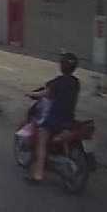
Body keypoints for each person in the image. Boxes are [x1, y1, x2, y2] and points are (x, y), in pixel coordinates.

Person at [26, 52, 81, 183]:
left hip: (55, 119)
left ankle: (38, 175)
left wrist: (30, 93)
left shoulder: (57, 82)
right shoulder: (76, 82)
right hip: (69, 119)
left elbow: (45, 94)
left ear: (61, 66)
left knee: (42, 142)